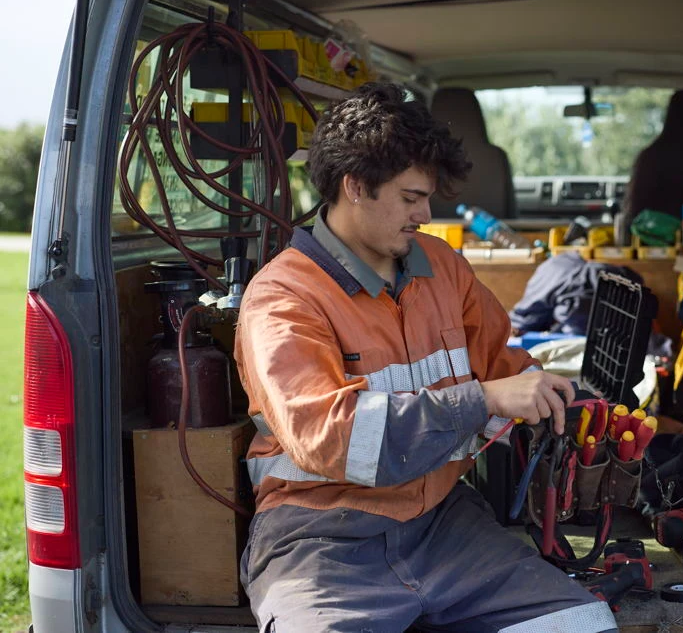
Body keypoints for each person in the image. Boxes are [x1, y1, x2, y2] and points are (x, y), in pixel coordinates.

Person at [234, 83, 619, 633]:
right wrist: (480, 401)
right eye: (412, 197)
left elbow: (499, 361)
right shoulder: (283, 298)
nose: (427, 212)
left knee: (583, 624)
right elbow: (335, 437)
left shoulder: (440, 263)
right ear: (355, 186)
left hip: (443, 521)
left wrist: (559, 401)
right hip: (320, 537)